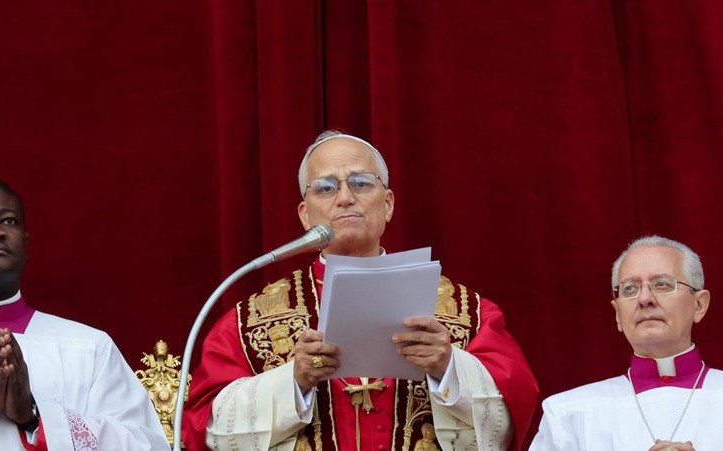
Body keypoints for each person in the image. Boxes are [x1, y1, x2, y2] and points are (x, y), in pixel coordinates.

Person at [183, 131, 539, 450]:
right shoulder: (248, 322)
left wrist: (450, 367)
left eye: (361, 183)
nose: (345, 198)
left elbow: (512, 420)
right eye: (326, 187)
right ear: (306, 215)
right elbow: (205, 429)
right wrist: (293, 381)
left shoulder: (467, 313)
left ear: (387, 205)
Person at [0, 175, 170, 450]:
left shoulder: (89, 347)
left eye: (8, 221)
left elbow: (144, 444)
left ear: (26, 245)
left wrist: (34, 413)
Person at [530, 235, 722, 451]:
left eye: (662, 284)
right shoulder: (568, 414)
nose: (645, 299)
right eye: (630, 288)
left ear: (698, 305)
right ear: (618, 315)